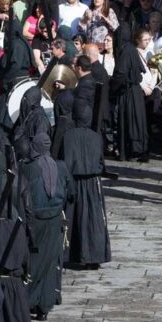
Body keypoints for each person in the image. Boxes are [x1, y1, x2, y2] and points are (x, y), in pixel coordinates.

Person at [19, 133, 71, 320]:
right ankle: (45, 306)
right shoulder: (60, 167)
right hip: (55, 219)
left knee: (35, 261)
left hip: (35, 220)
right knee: (50, 262)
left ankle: (30, 301)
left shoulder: (28, 168)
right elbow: (68, 192)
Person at [62, 99, 111, 269]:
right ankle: (93, 257)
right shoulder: (96, 137)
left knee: (75, 218)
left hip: (74, 181)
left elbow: (66, 162)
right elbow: (101, 163)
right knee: (93, 220)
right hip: (92, 184)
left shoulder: (68, 136)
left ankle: (74, 255)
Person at [110, 24, 148, 161]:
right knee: (136, 120)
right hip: (135, 91)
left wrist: (112, 87)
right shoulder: (131, 49)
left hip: (128, 92)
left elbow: (121, 73)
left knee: (130, 120)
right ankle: (137, 149)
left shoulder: (126, 50)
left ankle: (133, 151)